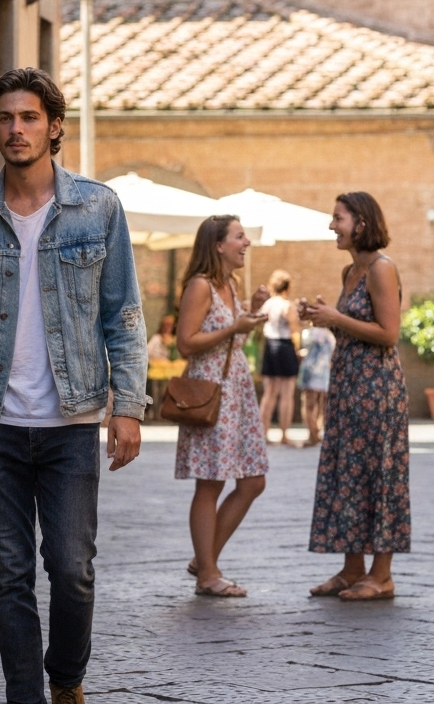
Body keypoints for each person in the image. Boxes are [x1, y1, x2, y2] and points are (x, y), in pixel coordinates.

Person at [0, 68, 149, 704]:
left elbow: (123, 315)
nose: (15, 130)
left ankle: (66, 677)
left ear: (53, 128)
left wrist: (128, 407)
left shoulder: (97, 208)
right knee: (9, 575)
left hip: (70, 425)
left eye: (28, 118)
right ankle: (25, 695)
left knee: (72, 572)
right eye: (5, 119)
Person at [300, 191, 410, 601]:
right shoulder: (352, 271)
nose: (332, 225)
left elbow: (388, 334)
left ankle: (381, 576)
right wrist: (324, 319)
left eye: (338, 218)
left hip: (378, 390)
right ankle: (351, 569)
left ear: (360, 223)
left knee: (379, 475)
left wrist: (337, 317)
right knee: (347, 473)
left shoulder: (382, 268)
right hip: (348, 386)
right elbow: (352, 329)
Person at [174, 215, 269, 597]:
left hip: (236, 392)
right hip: (210, 391)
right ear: (218, 245)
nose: (246, 242)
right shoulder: (201, 286)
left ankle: (205, 556)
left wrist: (251, 309)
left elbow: (229, 335)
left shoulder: (229, 284)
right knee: (210, 482)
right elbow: (186, 342)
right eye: (240, 236)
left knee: (253, 480)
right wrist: (235, 328)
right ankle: (208, 574)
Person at [258, 270, 301, 446]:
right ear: (287, 287)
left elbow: (259, 322)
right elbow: (294, 328)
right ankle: (284, 434)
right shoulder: (286, 305)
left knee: (269, 393)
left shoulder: (267, 304)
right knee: (287, 393)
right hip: (284, 346)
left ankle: (263, 433)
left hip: (270, 345)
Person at [296, 324, 335, 446]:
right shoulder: (329, 334)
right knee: (324, 403)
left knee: (309, 404)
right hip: (325, 370)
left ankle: (313, 434)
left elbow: (302, 350)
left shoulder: (308, 333)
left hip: (310, 369)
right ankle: (320, 431)